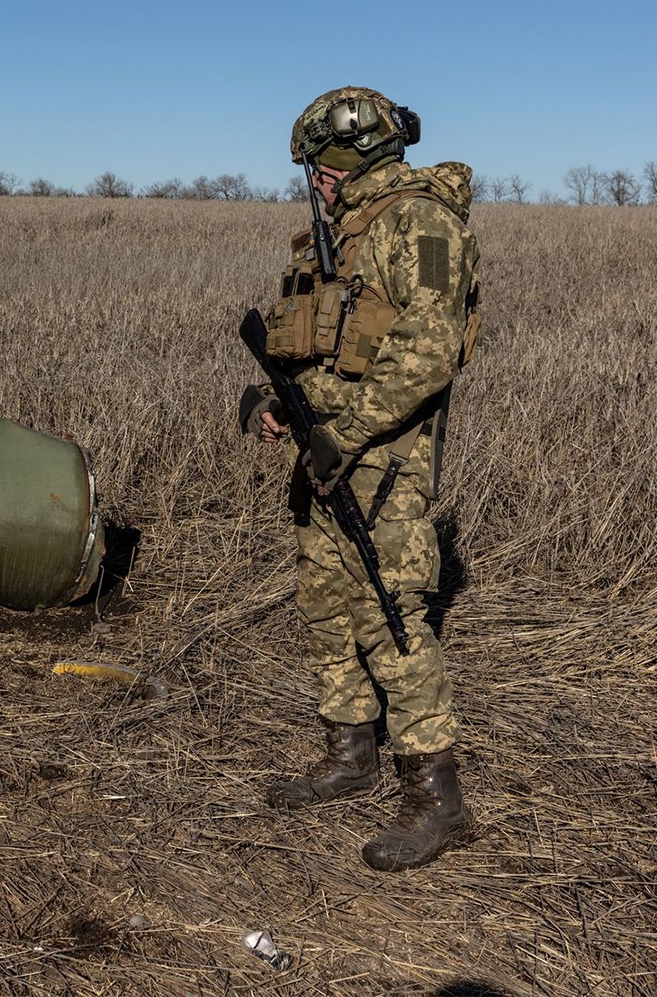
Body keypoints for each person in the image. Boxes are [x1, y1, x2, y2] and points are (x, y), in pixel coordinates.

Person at [243, 86, 481, 871]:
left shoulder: (421, 223)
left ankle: (436, 797)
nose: (312, 179)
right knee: (325, 603)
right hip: (322, 458)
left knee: (391, 612)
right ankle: (351, 753)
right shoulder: (330, 239)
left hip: (384, 461)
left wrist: (342, 434)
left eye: (320, 165)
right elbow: (311, 349)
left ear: (350, 158)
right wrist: (278, 408)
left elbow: (427, 351)